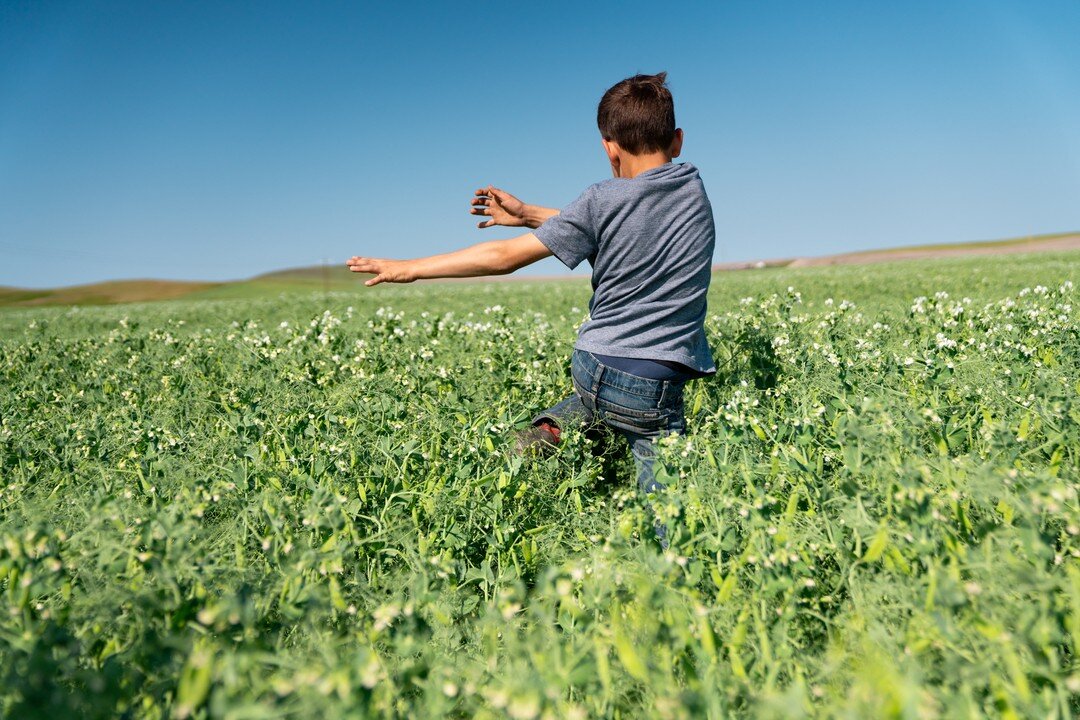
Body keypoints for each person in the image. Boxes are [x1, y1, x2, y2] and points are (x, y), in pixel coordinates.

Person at [347, 72, 716, 546]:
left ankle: (547, 430)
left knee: (600, 403)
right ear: (679, 140)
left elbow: (519, 252)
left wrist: (410, 268)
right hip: (652, 384)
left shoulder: (600, 198)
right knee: (671, 498)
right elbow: (615, 218)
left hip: (593, 365)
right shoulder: (692, 188)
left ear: (609, 148)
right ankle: (673, 566)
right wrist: (526, 215)